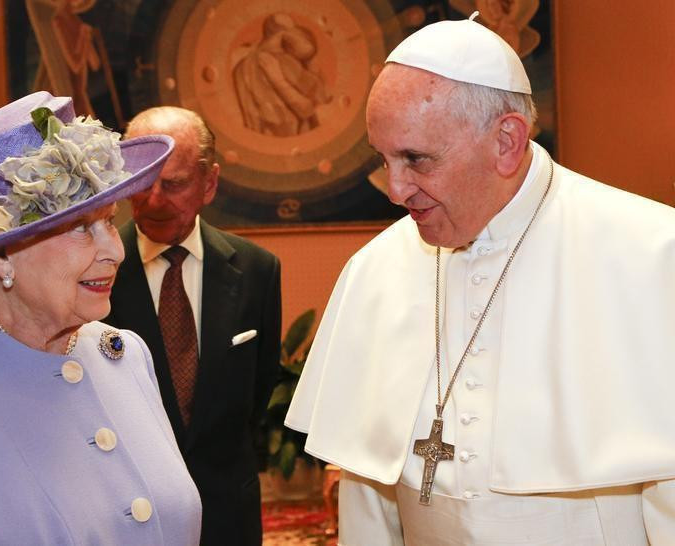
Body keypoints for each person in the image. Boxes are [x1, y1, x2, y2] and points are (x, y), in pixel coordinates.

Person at [285, 13, 675, 545]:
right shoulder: (376, 269)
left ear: (507, 142)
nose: (395, 190)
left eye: (416, 159)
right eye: (383, 158)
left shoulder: (649, 252)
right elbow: (368, 489)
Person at [0, 91, 201, 544]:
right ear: (1, 256)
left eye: (108, 221)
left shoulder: (124, 355)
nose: (115, 250)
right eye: (79, 229)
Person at [105, 106, 282, 546]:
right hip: (123, 513)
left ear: (210, 183)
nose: (154, 199)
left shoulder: (258, 271)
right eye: (142, 182)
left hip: (228, 513)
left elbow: (256, 395)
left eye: (175, 184)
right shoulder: (95, 271)